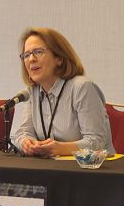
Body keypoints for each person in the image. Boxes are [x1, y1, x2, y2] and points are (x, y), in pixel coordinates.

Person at [12, 27, 115, 157]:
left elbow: (97, 141)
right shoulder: (32, 92)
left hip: (90, 171)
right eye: (26, 55)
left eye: (38, 52)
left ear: (59, 58)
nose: (31, 59)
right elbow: (22, 133)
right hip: (51, 171)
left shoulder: (82, 87)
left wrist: (61, 149)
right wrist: (27, 143)